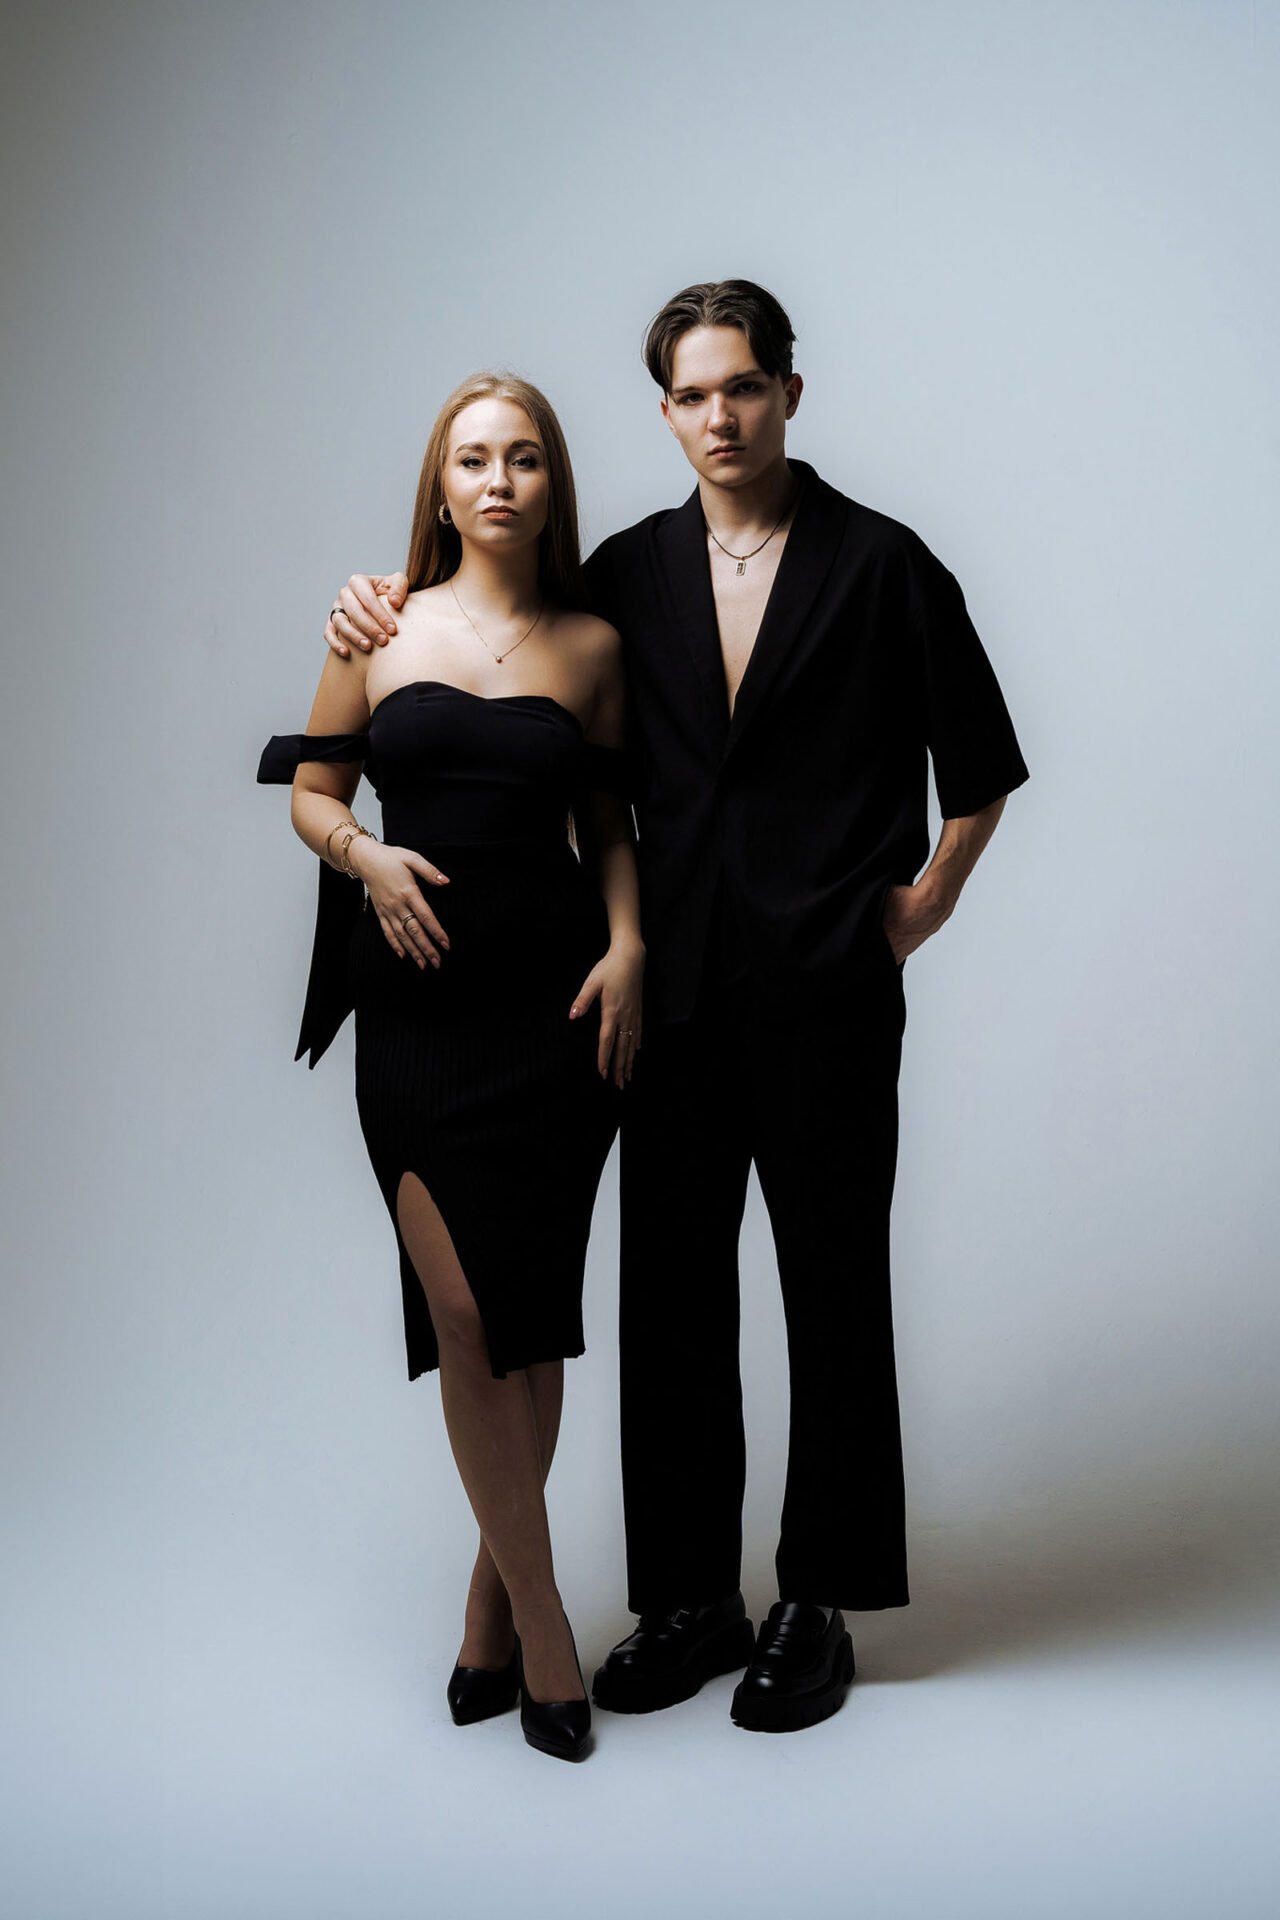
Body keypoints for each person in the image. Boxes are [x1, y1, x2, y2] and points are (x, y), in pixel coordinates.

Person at [320, 280, 1030, 1736]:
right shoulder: (631, 576)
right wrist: (369, 600)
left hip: (828, 993)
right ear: (664, 414)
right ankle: (691, 1599)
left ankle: (816, 1602)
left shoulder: (885, 565)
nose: (721, 416)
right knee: (669, 1302)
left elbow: (983, 763)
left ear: (788, 392)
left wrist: (924, 902)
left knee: (834, 1292)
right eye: (693, 396)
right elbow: (501, 659)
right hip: (666, 1000)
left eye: (744, 388)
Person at [257, 372, 643, 1762]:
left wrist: (631, 946)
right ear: (439, 485)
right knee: (470, 1318)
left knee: (530, 1321)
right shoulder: (380, 624)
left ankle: (489, 1600)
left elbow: (610, 831)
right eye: (472, 458)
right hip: (415, 1011)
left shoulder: (595, 644)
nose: (497, 480)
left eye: (524, 458)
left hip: (557, 1014)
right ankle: (545, 1627)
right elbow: (313, 791)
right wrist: (362, 857)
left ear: (550, 484)